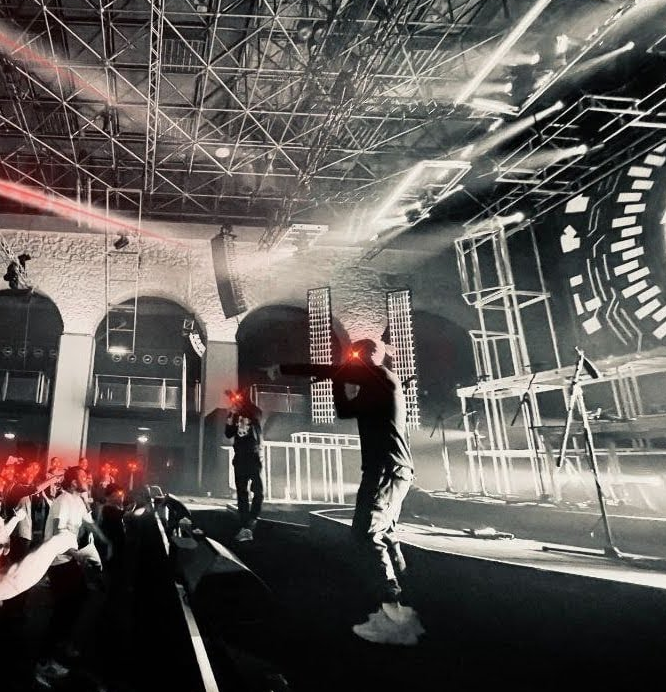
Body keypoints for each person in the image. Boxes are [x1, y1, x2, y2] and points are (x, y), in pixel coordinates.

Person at [265, 338, 424, 645]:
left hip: (385, 470)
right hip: (390, 469)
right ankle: (406, 606)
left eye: (355, 358)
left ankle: (394, 616)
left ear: (365, 357)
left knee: (367, 535)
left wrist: (283, 368)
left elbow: (328, 369)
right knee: (385, 534)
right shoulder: (374, 388)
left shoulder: (380, 376)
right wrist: (338, 382)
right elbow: (345, 410)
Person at [224, 389, 264, 542]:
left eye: (239, 400)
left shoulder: (253, 412)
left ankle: (252, 518)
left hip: (253, 457)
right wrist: (231, 414)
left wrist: (240, 407)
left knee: (258, 490)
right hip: (240, 458)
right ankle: (245, 526)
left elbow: (257, 415)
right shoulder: (234, 414)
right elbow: (228, 433)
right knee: (242, 493)